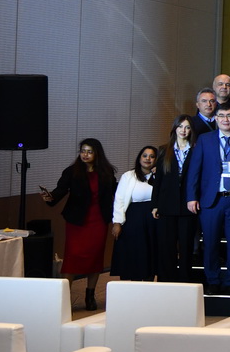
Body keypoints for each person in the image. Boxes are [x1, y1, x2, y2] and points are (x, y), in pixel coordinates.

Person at [185, 104, 230, 295]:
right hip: (211, 200)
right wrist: (192, 197)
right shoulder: (205, 140)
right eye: (222, 116)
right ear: (216, 119)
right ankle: (213, 280)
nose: (226, 119)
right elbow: (195, 171)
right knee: (210, 243)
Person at [42, 138, 117, 309]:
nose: (85, 154)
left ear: (97, 153)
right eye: (83, 151)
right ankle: (65, 298)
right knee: (72, 257)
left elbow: (116, 191)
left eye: (89, 151)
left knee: (95, 257)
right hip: (77, 221)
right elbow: (60, 190)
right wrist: (50, 197)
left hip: (98, 220)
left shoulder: (106, 172)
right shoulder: (72, 171)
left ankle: (90, 295)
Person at [153, 116, 198, 282]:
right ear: (175, 129)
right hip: (167, 204)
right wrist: (155, 204)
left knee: (186, 246)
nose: (183, 130)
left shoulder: (196, 149)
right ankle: (166, 281)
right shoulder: (164, 150)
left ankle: (185, 281)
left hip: (188, 205)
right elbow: (158, 180)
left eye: (187, 127)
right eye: (180, 126)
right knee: (167, 246)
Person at [110, 146, 159, 281]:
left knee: (151, 253)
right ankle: (133, 284)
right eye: (145, 155)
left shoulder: (160, 175)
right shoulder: (128, 176)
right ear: (139, 158)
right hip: (133, 218)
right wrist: (117, 222)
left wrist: (158, 174)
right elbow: (119, 199)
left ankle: (149, 282)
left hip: (154, 218)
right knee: (133, 253)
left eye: (152, 156)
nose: (148, 159)